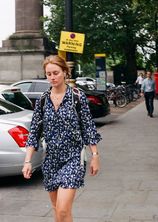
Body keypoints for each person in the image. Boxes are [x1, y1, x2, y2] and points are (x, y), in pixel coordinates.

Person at [22, 55, 102, 222]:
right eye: (49, 74)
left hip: (72, 158)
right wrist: (28, 161)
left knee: (63, 210)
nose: (52, 77)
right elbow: (34, 132)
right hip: (51, 160)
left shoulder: (77, 96)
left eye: (56, 73)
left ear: (65, 72)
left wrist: (95, 155)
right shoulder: (43, 100)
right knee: (58, 211)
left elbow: (88, 127)